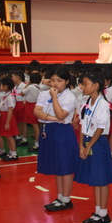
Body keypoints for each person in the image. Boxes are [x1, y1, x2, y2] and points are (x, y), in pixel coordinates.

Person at [73, 71, 112, 223]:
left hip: (97, 143)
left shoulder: (103, 104)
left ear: (96, 85)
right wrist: (81, 145)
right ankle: (97, 211)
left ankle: (103, 213)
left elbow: (100, 128)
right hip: (88, 142)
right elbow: (82, 125)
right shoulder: (87, 102)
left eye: (85, 84)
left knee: (101, 179)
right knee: (95, 179)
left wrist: (89, 146)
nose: (82, 87)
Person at [35, 68, 79, 208]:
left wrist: (54, 98)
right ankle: (60, 197)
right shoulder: (43, 94)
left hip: (62, 132)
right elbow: (36, 111)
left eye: (59, 81)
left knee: (65, 166)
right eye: (52, 80)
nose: (55, 84)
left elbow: (61, 115)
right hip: (48, 130)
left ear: (66, 81)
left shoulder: (69, 97)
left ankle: (66, 199)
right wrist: (50, 118)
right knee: (57, 166)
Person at [0, 77, 18, 162]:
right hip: (3, 116)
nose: (0, 86)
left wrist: (7, 122)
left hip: (7, 117)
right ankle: (11, 152)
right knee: (7, 136)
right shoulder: (5, 95)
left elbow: (10, 110)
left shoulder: (10, 96)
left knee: (9, 136)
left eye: (1, 85)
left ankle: (14, 154)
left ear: (6, 86)